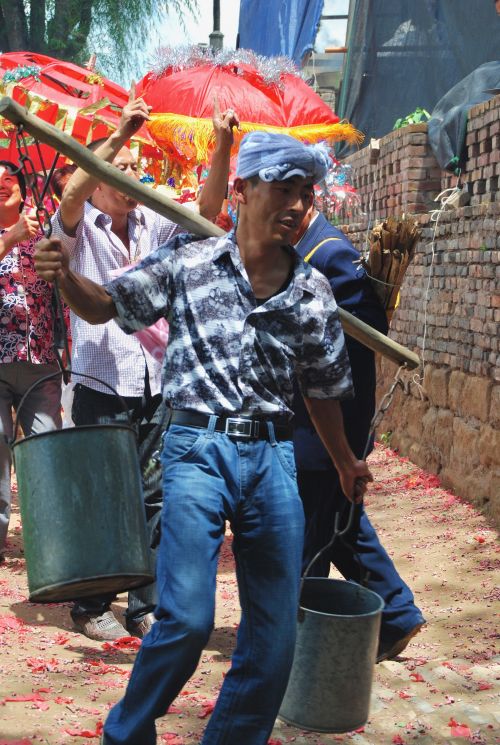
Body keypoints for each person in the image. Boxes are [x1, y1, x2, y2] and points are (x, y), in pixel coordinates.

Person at [35, 130, 373, 745]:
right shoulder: (188, 263)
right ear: (241, 190)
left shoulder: (312, 291)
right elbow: (105, 306)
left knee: (274, 639)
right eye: (283, 189)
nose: (297, 206)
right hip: (197, 451)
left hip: (272, 460)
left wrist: (346, 460)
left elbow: (321, 390)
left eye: (306, 193)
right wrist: (64, 279)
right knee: (187, 620)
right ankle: (128, 731)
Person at [49, 91, 240, 641]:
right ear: (101, 176)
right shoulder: (81, 227)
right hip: (100, 382)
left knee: (155, 495)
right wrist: (118, 137)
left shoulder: (153, 224)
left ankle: (143, 604)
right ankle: (91, 604)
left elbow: (203, 216)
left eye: (137, 170)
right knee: (106, 495)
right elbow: (70, 194)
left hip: (156, 383)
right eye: (122, 171)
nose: (134, 179)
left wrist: (222, 146)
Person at [292, 205, 426, 661]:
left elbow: (370, 328)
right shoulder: (303, 249)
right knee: (339, 525)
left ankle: (298, 627)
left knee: (310, 526)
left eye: (294, 195)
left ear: (309, 200)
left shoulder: (331, 254)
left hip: (333, 423)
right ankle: (397, 616)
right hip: (311, 420)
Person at [0, 161, 62, 560]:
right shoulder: (15, 235)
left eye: (8, 181)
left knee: (45, 447)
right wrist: (9, 238)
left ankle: (48, 538)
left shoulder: (46, 231)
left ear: (23, 190)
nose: (1, 187)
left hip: (41, 361)